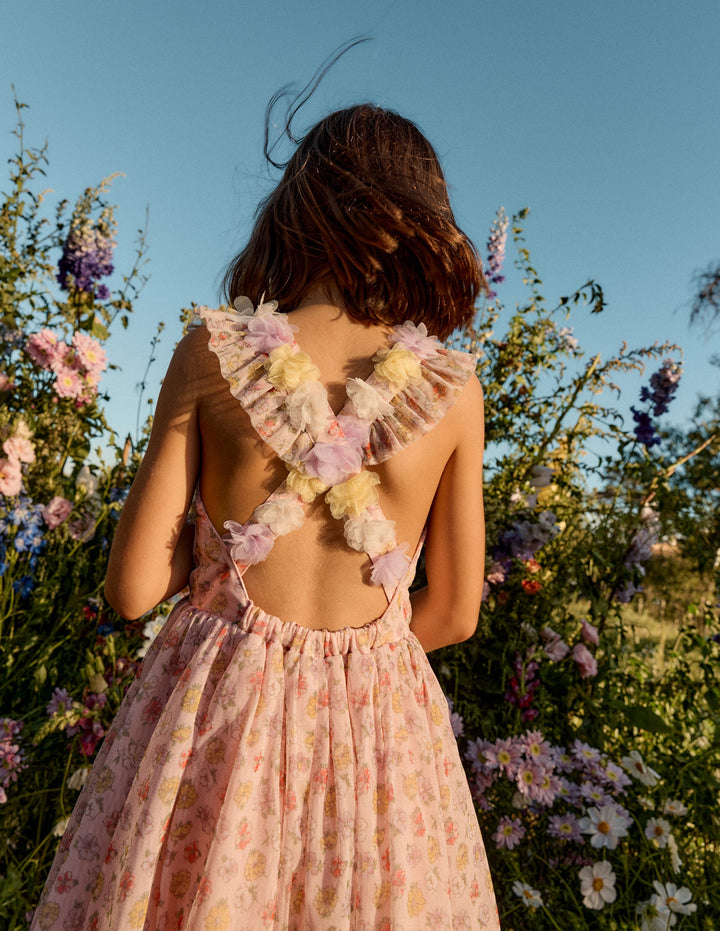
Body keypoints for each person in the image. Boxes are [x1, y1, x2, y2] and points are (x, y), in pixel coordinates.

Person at [31, 101, 499, 930]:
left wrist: (220, 583)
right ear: (423, 217)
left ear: (297, 205)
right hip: (381, 741)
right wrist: (353, 666)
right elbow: (456, 612)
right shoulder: (456, 392)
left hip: (220, 719)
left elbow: (133, 588)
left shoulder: (210, 353)